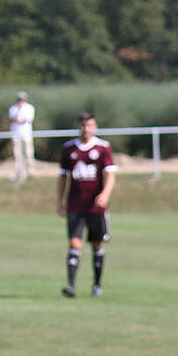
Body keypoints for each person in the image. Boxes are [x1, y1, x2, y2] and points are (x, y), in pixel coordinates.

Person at [57, 112, 117, 298]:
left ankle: (97, 285)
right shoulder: (68, 149)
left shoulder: (102, 147)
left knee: (96, 245)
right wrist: (60, 201)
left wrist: (105, 194)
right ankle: (71, 286)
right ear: (79, 127)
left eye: (90, 125)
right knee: (74, 244)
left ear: (95, 127)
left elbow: (110, 174)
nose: (86, 129)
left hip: (95, 207)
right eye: (83, 125)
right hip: (75, 205)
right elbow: (62, 177)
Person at [8, 91, 36, 183]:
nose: (21, 101)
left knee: (28, 154)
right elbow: (14, 119)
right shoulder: (13, 108)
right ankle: (18, 173)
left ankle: (31, 173)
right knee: (17, 155)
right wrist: (19, 114)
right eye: (19, 99)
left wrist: (20, 119)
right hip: (16, 135)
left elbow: (27, 120)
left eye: (22, 99)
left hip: (26, 135)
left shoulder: (30, 108)